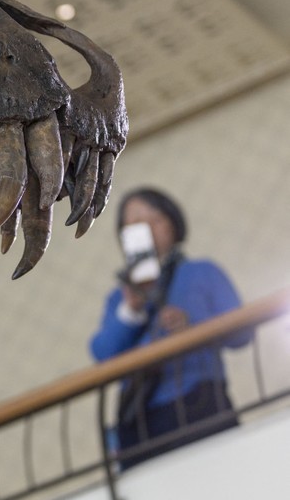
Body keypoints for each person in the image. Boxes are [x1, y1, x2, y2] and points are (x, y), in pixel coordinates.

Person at [89, 187, 254, 470]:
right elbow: (102, 354)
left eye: (153, 220)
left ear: (172, 225)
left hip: (200, 402)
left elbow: (242, 333)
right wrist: (132, 310)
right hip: (139, 420)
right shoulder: (121, 296)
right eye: (132, 225)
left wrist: (193, 330)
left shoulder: (202, 272)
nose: (144, 231)